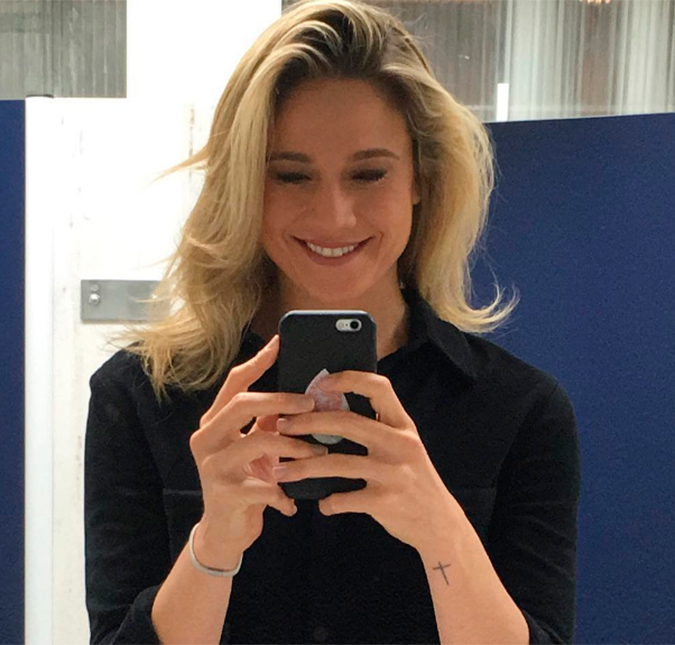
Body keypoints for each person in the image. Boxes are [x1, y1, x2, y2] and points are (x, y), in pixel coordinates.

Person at [84, 0, 581, 643]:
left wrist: (442, 532)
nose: (335, 215)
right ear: (246, 186)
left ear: (420, 178)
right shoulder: (141, 397)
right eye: (292, 176)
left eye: (369, 173)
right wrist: (213, 546)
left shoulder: (520, 412)